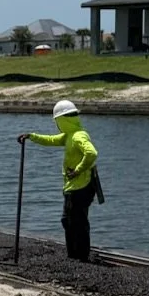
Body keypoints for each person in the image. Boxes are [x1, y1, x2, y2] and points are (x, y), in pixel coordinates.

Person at [20, 99, 101, 260]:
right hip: (76, 185)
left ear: (62, 120)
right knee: (73, 220)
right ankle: (75, 255)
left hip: (80, 186)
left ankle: (80, 256)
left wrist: (78, 170)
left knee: (73, 220)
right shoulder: (70, 135)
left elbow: (92, 153)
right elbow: (51, 140)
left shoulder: (78, 136)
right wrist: (31, 136)